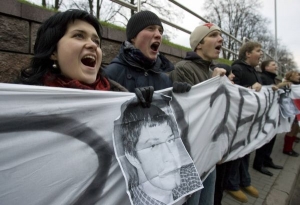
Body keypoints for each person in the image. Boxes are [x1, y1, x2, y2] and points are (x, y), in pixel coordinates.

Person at [169, 23, 226, 205]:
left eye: (220, 35)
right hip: (191, 157)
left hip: (209, 151)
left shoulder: (210, 70)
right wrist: (213, 82)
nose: (221, 39)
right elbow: (189, 115)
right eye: (214, 35)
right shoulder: (183, 68)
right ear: (199, 44)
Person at [18, 9, 127, 92]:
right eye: (79, 36)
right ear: (53, 52)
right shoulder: (20, 100)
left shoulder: (122, 98)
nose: (93, 45)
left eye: (96, 41)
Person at [117, 101, 201, 205]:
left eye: (170, 140)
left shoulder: (187, 176)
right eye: (153, 146)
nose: (170, 157)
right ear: (132, 157)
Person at [224, 41, 262, 203]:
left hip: (250, 120)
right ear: (247, 53)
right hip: (238, 121)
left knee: (247, 151)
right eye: (258, 51)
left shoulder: (255, 72)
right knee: (237, 153)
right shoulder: (237, 69)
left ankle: (244, 181)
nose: (261, 54)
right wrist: (251, 88)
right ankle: (231, 185)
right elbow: (232, 91)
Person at [103, 10, 174, 93]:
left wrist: (180, 96)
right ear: (133, 37)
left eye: (160, 31)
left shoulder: (165, 79)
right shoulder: (111, 75)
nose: (158, 35)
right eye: (150, 28)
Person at [252, 60, 284, 176]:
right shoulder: (263, 78)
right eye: (273, 65)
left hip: (272, 114)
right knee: (265, 139)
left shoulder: (272, 78)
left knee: (271, 137)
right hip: (265, 115)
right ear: (266, 67)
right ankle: (258, 163)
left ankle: (267, 160)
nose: (276, 66)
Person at [212, 63, 234, 205]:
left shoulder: (231, 91)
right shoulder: (217, 93)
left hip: (225, 146)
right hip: (216, 148)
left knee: (221, 182)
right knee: (216, 184)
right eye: (229, 74)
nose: (233, 76)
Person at [281, 71, 300, 157]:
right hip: (293, 110)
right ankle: (287, 149)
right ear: (290, 77)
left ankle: (293, 140)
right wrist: (285, 82)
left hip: (297, 109)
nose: (298, 76)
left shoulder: (297, 84)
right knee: (293, 129)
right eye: (296, 75)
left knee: (296, 128)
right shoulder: (288, 84)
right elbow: (276, 87)